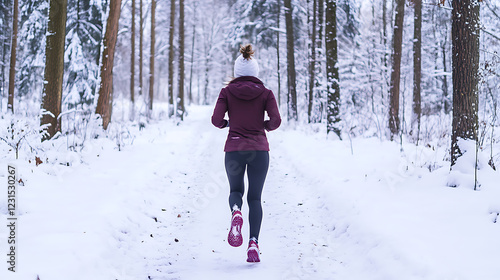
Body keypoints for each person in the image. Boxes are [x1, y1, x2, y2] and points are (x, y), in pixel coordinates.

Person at [211, 44, 281, 262]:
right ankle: (253, 244)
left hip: (234, 149)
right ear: (256, 71)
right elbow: (276, 121)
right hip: (259, 150)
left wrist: (227, 124)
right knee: (256, 198)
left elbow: (215, 120)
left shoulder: (227, 92)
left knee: (236, 190)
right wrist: (264, 127)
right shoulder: (266, 93)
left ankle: (235, 211)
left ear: (237, 71)